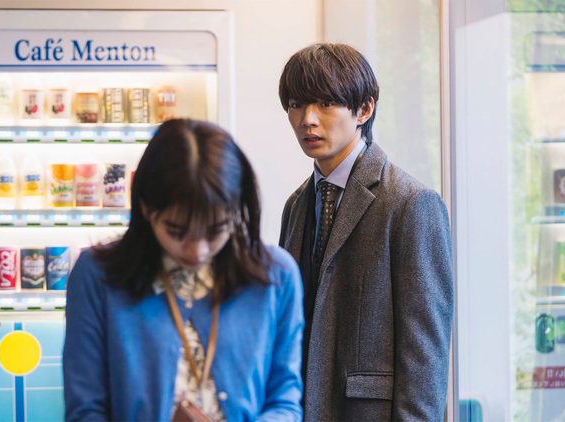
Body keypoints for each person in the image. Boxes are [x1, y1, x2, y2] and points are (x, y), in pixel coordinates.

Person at [63, 119, 304, 421]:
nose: (197, 250)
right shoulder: (96, 275)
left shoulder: (276, 275)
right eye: (177, 231)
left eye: (216, 230)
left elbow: (285, 402)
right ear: (146, 209)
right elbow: (85, 410)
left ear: (237, 209)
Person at [278, 43, 454, 421]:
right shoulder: (295, 206)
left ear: (364, 109)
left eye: (326, 103)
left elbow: (425, 357)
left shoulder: (411, 203)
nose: (308, 119)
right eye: (296, 104)